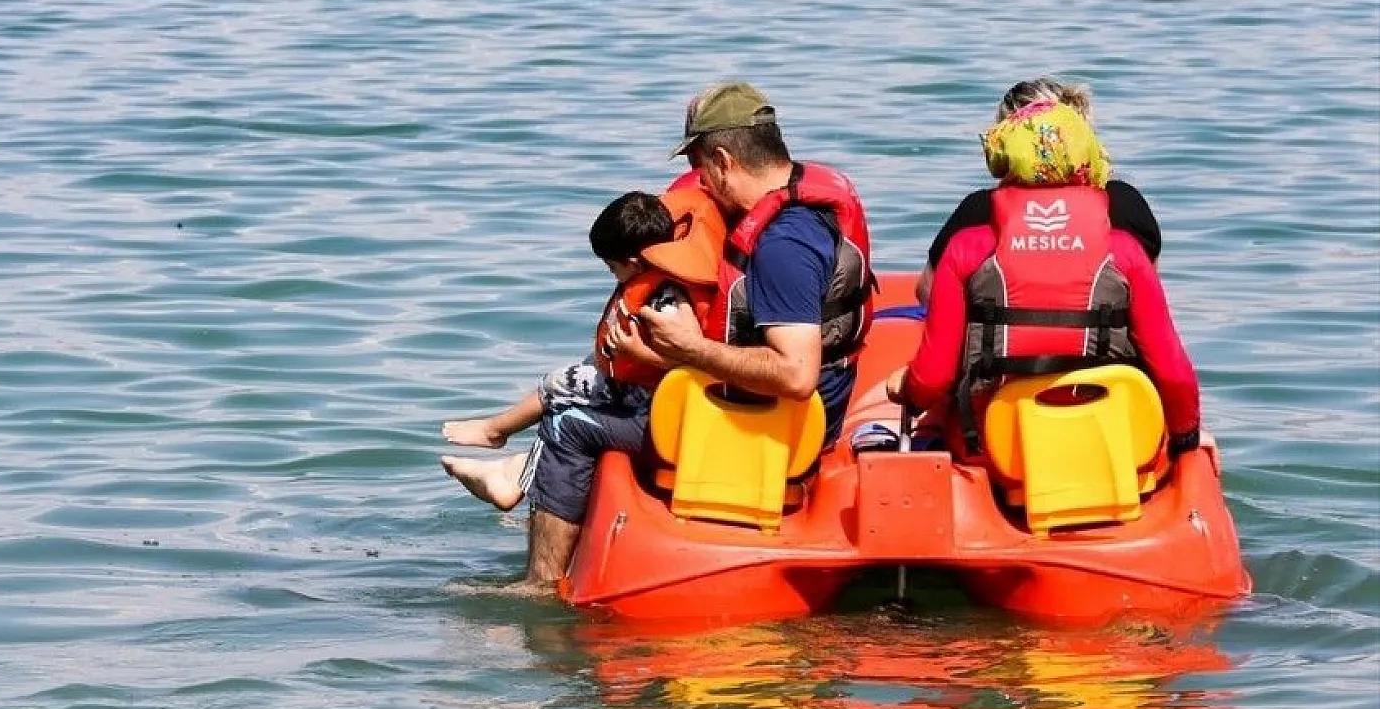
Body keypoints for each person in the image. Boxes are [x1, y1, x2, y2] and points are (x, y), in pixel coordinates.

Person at [462, 82, 874, 590]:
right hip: (775, 412)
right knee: (603, 378)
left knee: (570, 421)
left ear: (724, 160)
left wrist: (689, 352)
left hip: (769, 432)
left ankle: (539, 584)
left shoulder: (783, 245)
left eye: (700, 167)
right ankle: (523, 470)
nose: (697, 181)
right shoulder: (789, 204)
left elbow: (794, 373)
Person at [889, 99, 1201, 460]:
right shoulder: (1125, 251)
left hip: (995, 448)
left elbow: (933, 378)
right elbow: (1174, 373)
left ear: (1004, 157)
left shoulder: (967, 248)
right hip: (1106, 446)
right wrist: (1185, 438)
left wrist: (910, 393)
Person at [441, 186, 724, 513]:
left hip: (652, 398)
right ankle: (515, 468)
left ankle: (495, 433)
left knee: (557, 385)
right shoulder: (655, 281)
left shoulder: (666, 297)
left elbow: (691, 354)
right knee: (583, 373)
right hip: (645, 387)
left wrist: (639, 354)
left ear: (634, 262)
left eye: (612, 268)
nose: (612, 275)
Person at [916, 77, 1162, 305]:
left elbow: (928, 292)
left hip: (1000, 348)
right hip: (1103, 348)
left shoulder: (979, 208)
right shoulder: (1126, 204)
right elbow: (1148, 298)